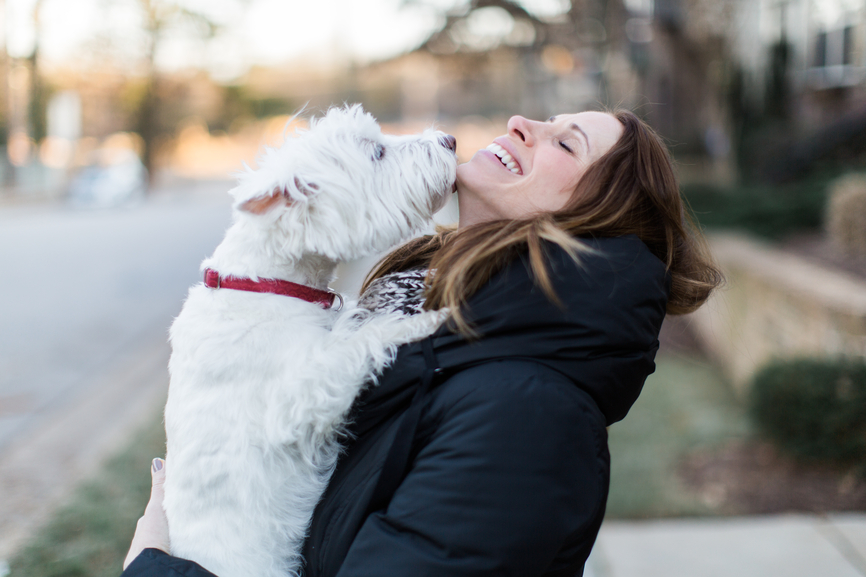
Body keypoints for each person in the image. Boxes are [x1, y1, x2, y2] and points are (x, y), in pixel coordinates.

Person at [121, 110, 722, 577]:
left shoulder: (528, 415)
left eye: (566, 144)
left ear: (591, 219)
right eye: (545, 119)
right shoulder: (418, 317)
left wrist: (154, 568)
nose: (521, 122)